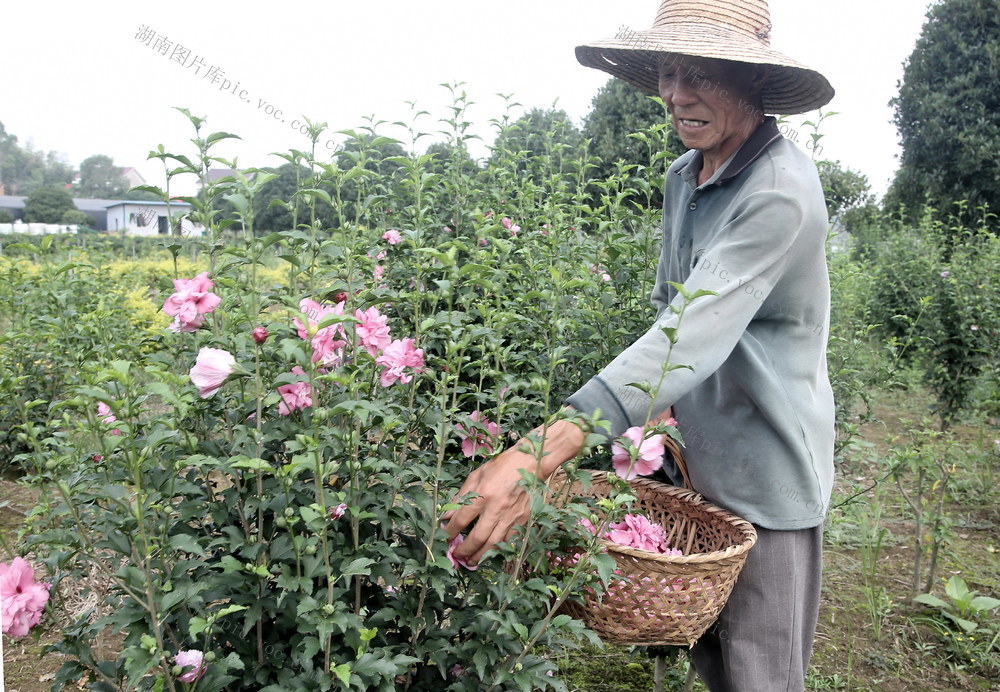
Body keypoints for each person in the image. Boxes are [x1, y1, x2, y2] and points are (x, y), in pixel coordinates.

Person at [443, 1, 836, 689]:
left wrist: (539, 453)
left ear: (752, 80)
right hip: (698, 457)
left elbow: (689, 337)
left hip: (768, 468)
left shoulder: (781, 192)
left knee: (761, 670)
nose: (675, 93)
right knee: (709, 652)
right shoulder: (685, 176)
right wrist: (652, 428)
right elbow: (669, 309)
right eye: (667, 70)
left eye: (701, 74)